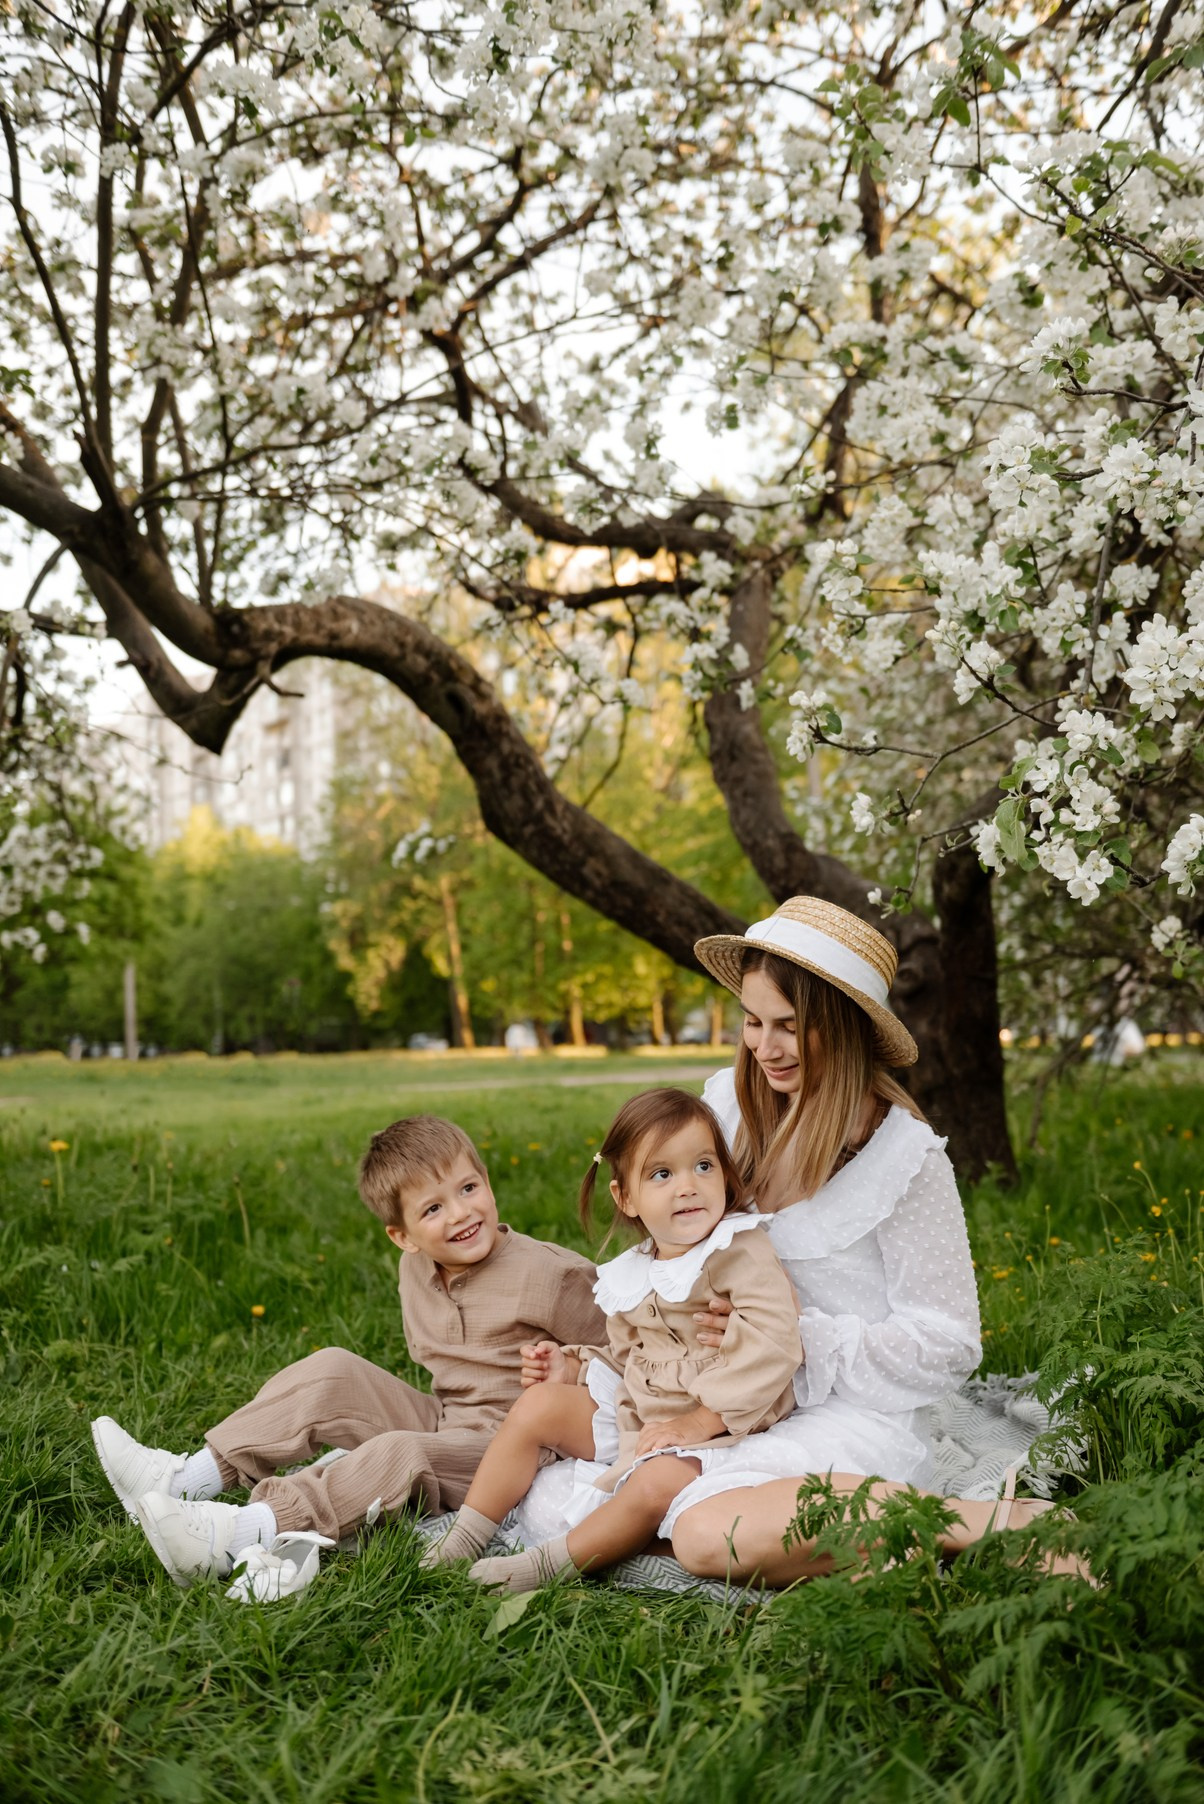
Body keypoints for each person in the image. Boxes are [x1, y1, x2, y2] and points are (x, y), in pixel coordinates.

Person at [648, 894, 1058, 1585]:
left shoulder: (905, 1160)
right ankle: (878, 1540)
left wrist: (800, 1339)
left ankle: (977, 1519)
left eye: (790, 1026)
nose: (765, 1047)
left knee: (700, 1534)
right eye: (752, 1021)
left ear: (842, 1028)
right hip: (728, 1392)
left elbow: (949, 1343)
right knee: (609, 1479)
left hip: (852, 1414)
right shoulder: (727, 1105)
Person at [91, 1114, 607, 1587]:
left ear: (488, 1183)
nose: (461, 1213)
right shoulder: (418, 1270)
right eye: (433, 1208)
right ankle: (187, 1480)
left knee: (399, 1452)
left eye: (469, 1188)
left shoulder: (553, 1275)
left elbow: (631, 1356)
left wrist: (571, 1369)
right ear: (402, 1238)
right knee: (332, 1369)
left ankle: (240, 1534)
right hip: (448, 1419)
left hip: (511, 1451)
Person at [421, 1087, 803, 1592]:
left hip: (730, 1421)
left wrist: (699, 1421)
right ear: (626, 1198)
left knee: (653, 1485)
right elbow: (628, 1356)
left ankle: (546, 1566)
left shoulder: (738, 1249)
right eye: (662, 1174)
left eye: (704, 1166)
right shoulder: (637, 1270)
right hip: (649, 1409)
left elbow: (774, 1342)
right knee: (538, 1407)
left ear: (726, 1176)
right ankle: (467, 1535)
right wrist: (575, 1368)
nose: (688, 1186)